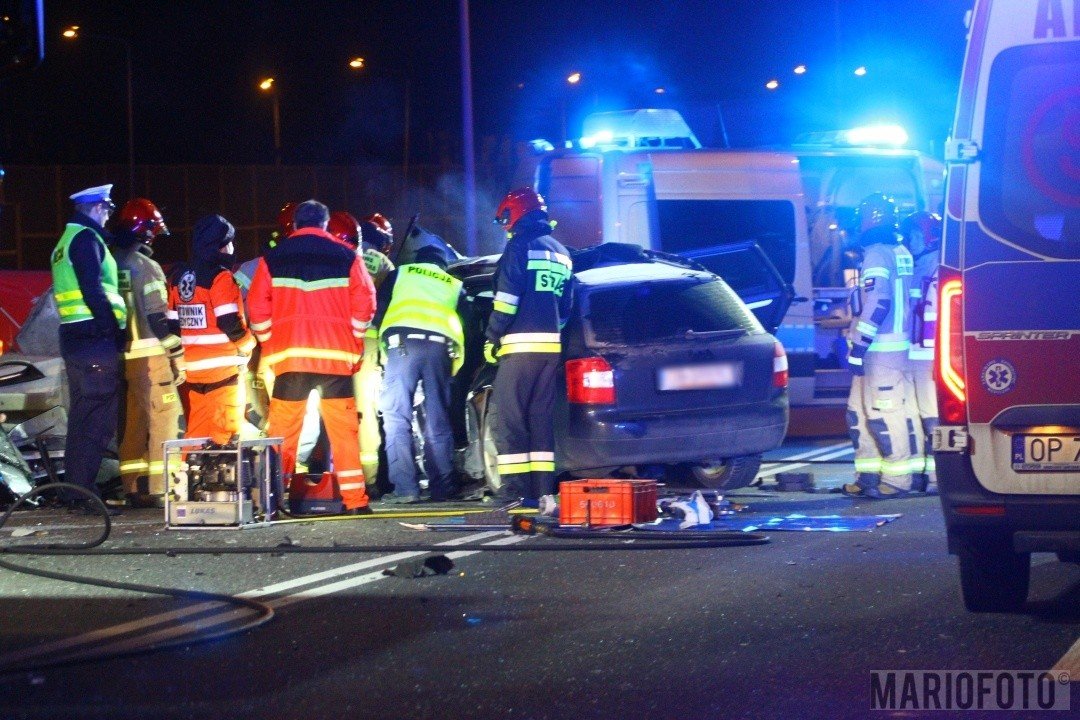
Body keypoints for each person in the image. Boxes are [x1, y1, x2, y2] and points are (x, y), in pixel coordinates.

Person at [247, 200, 377, 515]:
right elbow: (367, 303)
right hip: (335, 361)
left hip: (291, 362)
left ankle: (274, 502)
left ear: (293, 224)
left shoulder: (273, 259)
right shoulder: (348, 256)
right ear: (325, 224)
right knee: (343, 433)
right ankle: (356, 502)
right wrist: (354, 337)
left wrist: (270, 341)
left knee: (283, 435)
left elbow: (256, 309)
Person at [486, 187, 574, 506]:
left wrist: (492, 337)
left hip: (519, 347)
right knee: (540, 420)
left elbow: (506, 302)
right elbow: (565, 308)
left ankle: (512, 490)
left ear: (517, 212)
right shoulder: (562, 252)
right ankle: (542, 491)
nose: (505, 225)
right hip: (550, 351)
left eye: (506, 217)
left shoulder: (519, 247)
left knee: (510, 419)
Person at [50, 184, 127, 512]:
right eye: (108, 207)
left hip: (78, 341)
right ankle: (82, 494)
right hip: (95, 342)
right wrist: (112, 328)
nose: (110, 213)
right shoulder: (86, 239)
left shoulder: (66, 241)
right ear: (97, 207)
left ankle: (75, 491)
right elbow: (92, 288)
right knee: (97, 421)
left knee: (84, 419)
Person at [373, 244, 468, 503]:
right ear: (442, 265)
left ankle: (406, 490)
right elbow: (466, 323)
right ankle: (443, 488)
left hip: (402, 345)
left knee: (396, 416)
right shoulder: (454, 283)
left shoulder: (401, 273)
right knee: (437, 418)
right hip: (440, 349)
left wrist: (377, 352)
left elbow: (378, 310)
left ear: (419, 259)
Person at [842, 193, 915, 499]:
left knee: (883, 415)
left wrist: (860, 344)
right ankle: (868, 476)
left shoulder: (875, 255)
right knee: (858, 412)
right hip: (891, 347)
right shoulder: (900, 250)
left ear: (869, 219)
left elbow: (879, 301)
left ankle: (897, 480)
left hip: (879, 349)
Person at [112, 198, 183, 507]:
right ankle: (160, 487)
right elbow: (157, 318)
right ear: (147, 232)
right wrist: (176, 352)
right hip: (152, 358)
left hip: (123, 357)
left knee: (133, 423)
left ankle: (132, 487)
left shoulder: (110, 263)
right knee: (164, 420)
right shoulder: (148, 268)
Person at [167, 215, 255, 446]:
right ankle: (220, 483)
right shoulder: (221, 277)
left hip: (193, 371)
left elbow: (173, 324)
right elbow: (229, 322)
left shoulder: (179, 277)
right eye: (231, 242)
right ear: (222, 246)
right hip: (222, 371)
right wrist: (249, 345)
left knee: (196, 431)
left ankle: (188, 477)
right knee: (225, 433)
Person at [900, 211, 942, 494]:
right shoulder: (920, 265)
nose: (909, 241)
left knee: (932, 416)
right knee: (913, 417)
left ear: (928, 237)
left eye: (914, 235)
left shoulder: (936, 266)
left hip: (928, 355)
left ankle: (939, 476)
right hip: (912, 353)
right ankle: (919, 474)